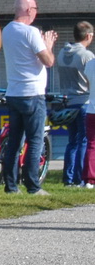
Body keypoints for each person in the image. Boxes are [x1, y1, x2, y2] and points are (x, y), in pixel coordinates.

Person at [0, 0, 57, 194]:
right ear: (29, 10)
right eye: (35, 9)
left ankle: (11, 186)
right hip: (33, 93)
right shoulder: (30, 32)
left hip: (14, 92)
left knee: (15, 141)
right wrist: (48, 44)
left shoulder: (7, 30)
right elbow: (48, 61)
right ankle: (33, 185)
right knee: (35, 141)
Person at [56, 21, 94, 187]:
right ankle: (79, 177)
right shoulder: (86, 56)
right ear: (88, 36)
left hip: (68, 101)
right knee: (84, 141)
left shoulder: (61, 53)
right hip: (84, 100)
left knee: (72, 141)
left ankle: (68, 178)